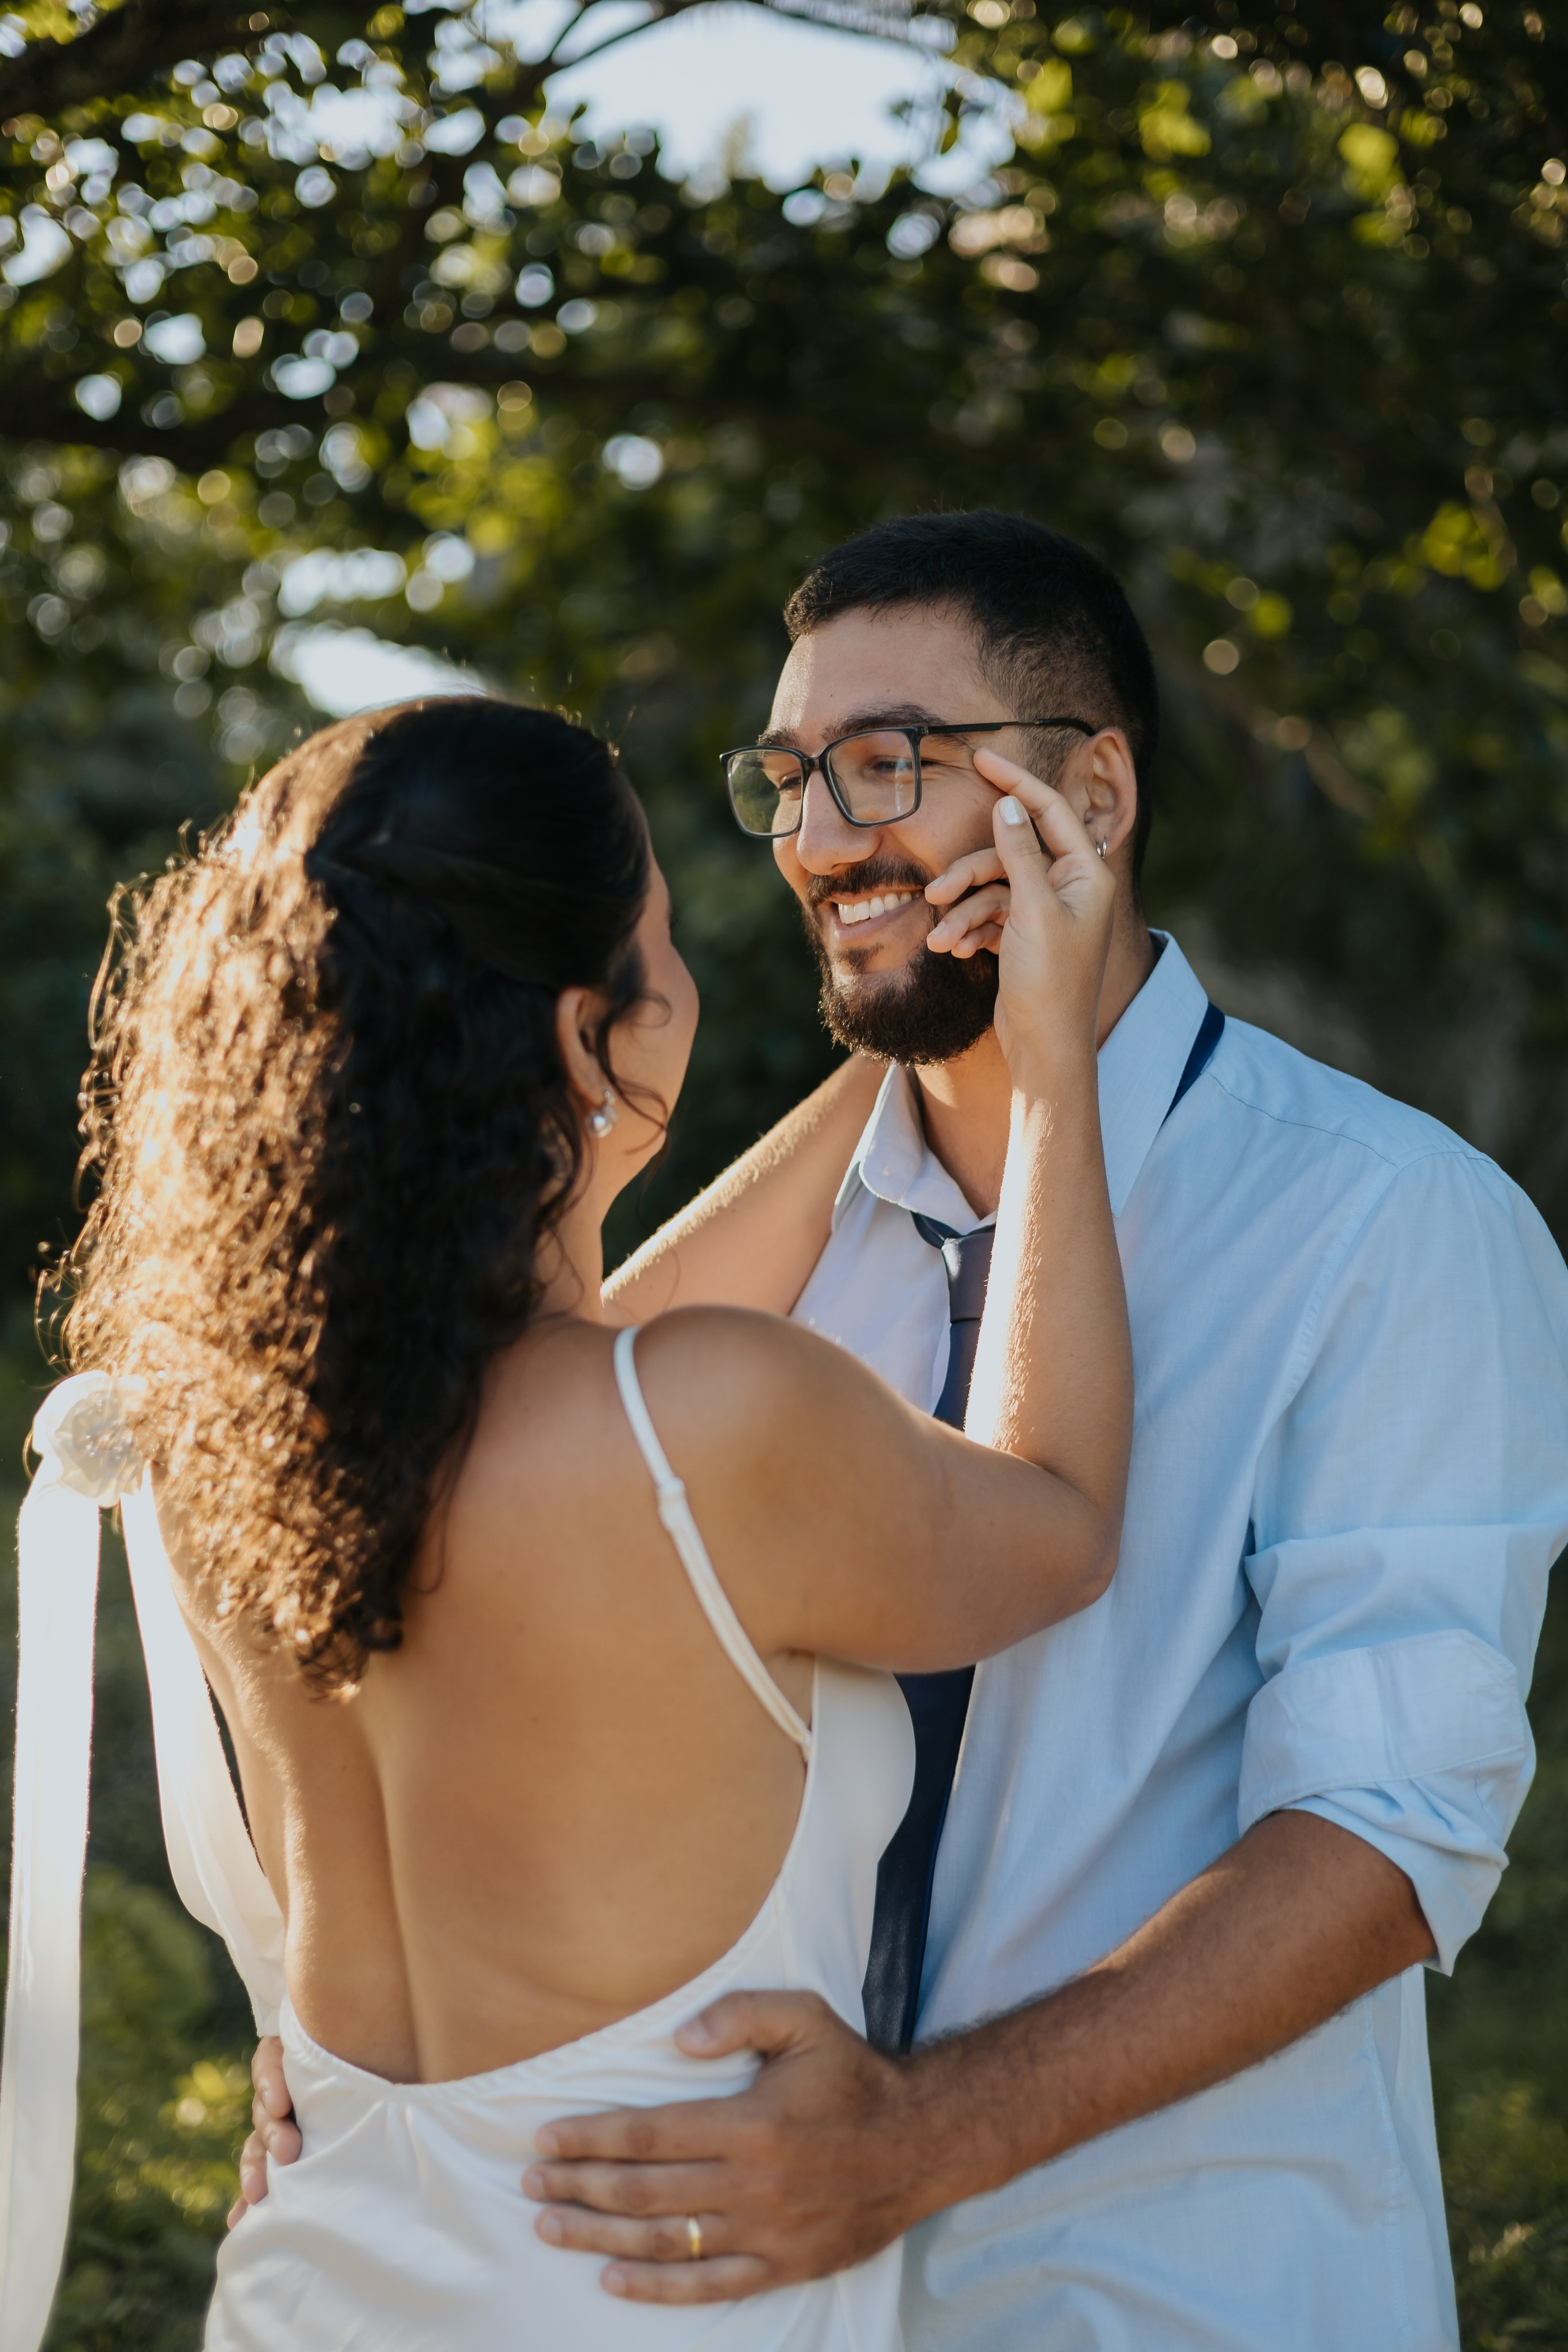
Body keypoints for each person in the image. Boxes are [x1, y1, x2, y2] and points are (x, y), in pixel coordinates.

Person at [249, 513, 1568, 2348]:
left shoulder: (1392, 1224)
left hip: (1174, 2293)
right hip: (713, 2294)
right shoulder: (729, 1292)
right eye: (790, 780)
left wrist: (922, 2139)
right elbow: (463, 1587)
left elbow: (1386, 1826)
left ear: (1090, 796)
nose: (823, 839)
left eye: (890, 766)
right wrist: (374, 2060)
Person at [7, 692, 1132, 2350]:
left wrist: (908, 1042)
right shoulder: (710, 1424)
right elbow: (1056, 1519)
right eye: (662, 940)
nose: (689, 978)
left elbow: (580, 1349)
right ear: (585, 1028)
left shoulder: (227, 1449)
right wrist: (1045, 1064)